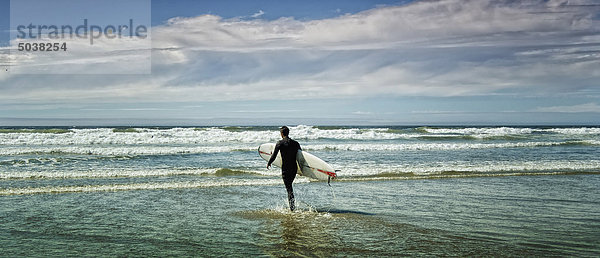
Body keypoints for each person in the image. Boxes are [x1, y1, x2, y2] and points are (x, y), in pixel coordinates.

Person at [267, 126, 302, 211]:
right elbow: (301, 156)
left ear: (282, 133)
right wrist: (301, 169)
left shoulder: (280, 143)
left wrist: (269, 163)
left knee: (289, 189)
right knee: (290, 187)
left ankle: (292, 208)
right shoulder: (295, 143)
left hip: (285, 169)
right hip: (294, 168)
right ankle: (292, 206)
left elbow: (274, 155)